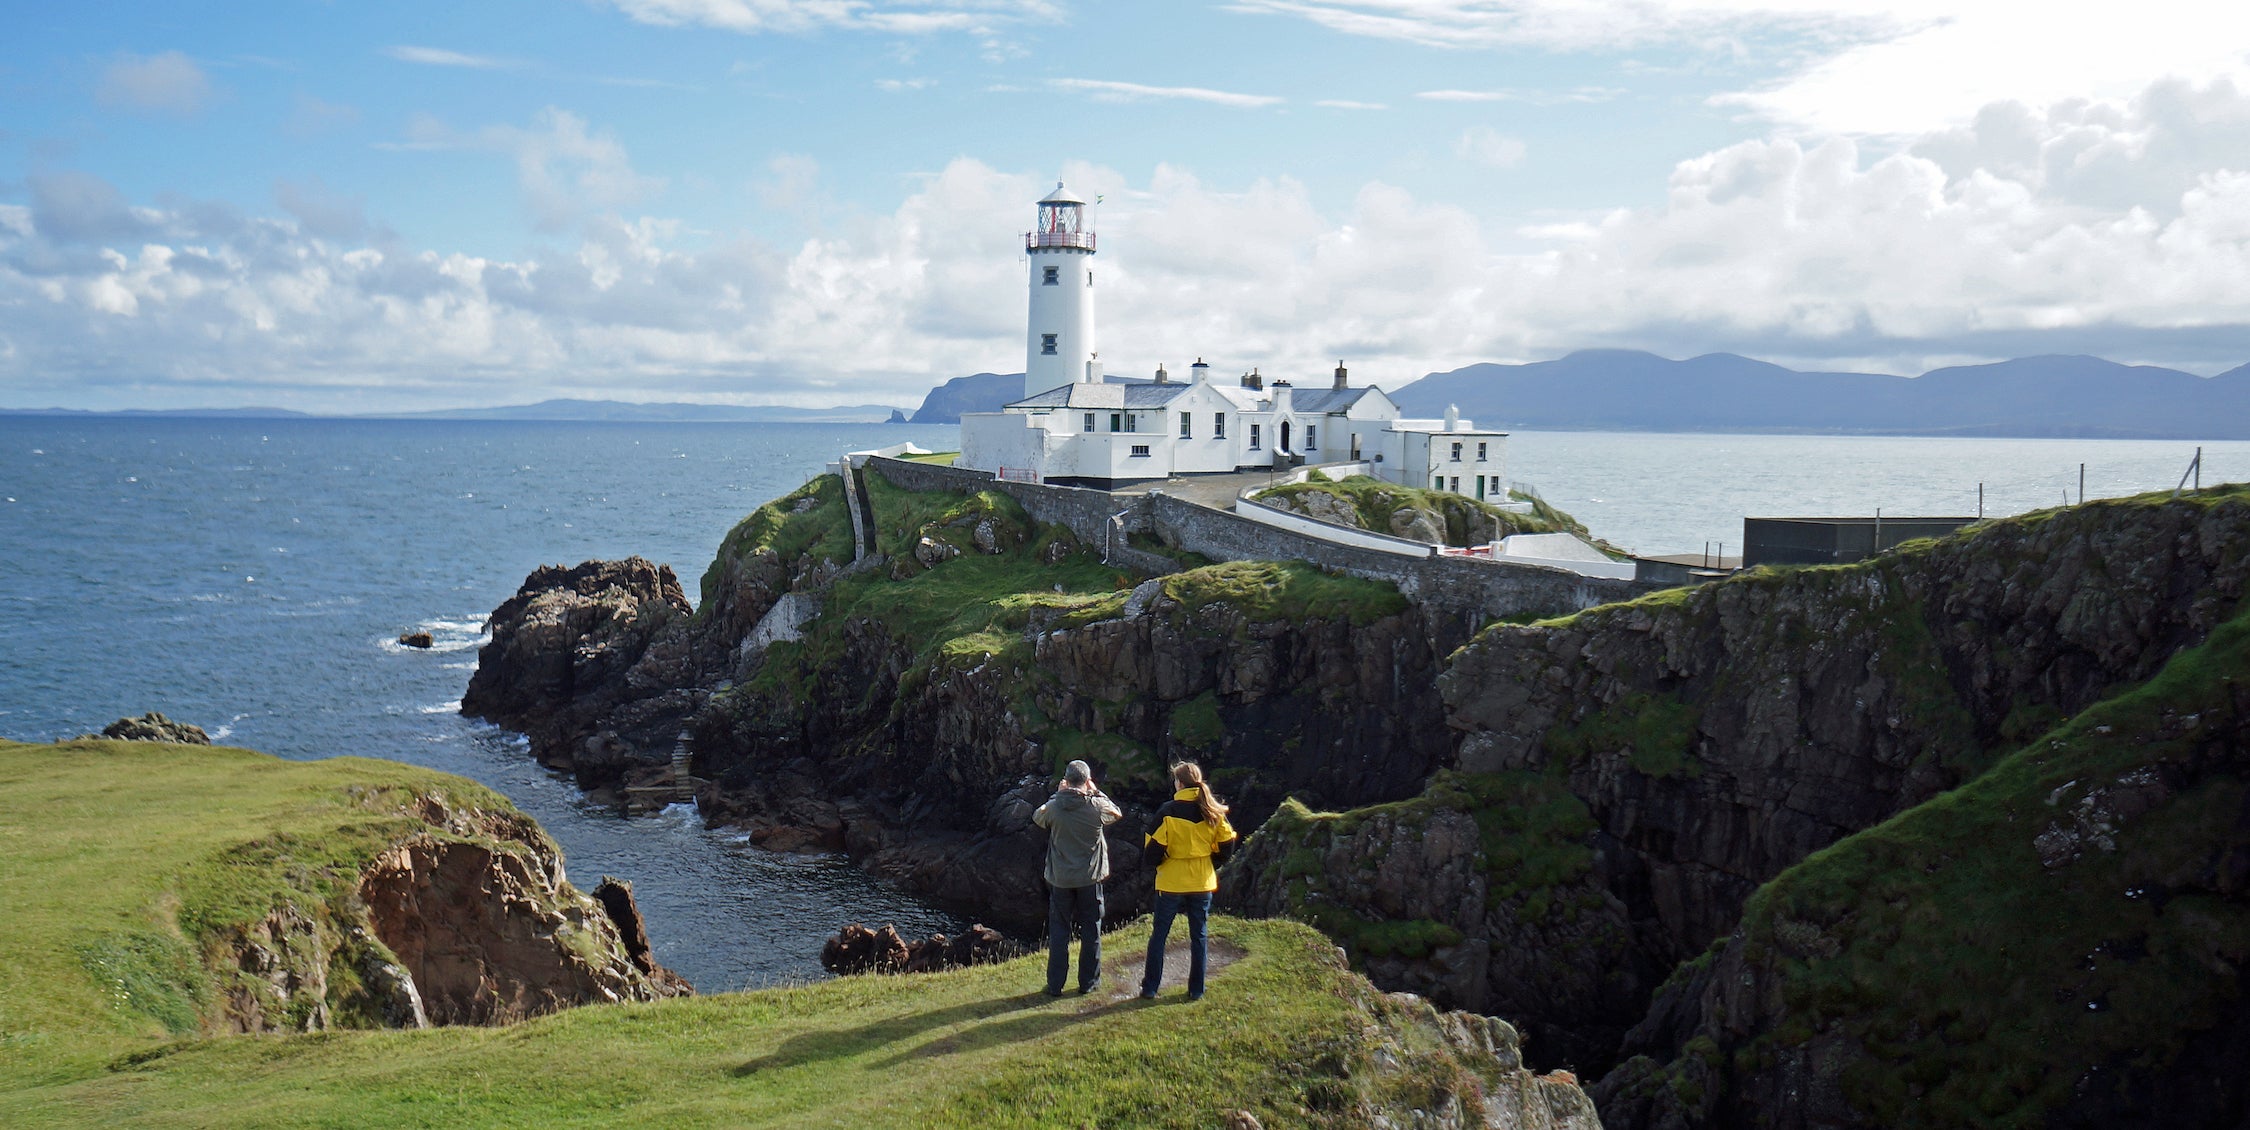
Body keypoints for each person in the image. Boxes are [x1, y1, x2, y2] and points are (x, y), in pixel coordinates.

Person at [1139, 761, 1237, 1001]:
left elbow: (1151, 852)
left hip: (1172, 880)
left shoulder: (1168, 811)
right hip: (1202, 879)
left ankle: (1151, 987)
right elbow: (1227, 845)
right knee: (1199, 935)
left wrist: (1165, 860)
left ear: (1179, 783)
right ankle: (1196, 989)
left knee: (1160, 934)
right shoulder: (1213, 811)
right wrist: (1209, 861)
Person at [1032, 759, 1121, 996]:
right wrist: (1095, 791)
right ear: (1087, 780)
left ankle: (1055, 984)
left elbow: (1038, 818)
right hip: (1090, 879)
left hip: (1060, 879)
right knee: (1091, 929)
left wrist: (1058, 795)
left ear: (1066, 779)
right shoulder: (1096, 806)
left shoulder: (1054, 806)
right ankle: (1088, 983)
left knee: (1060, 931)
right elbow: (1116, 813)